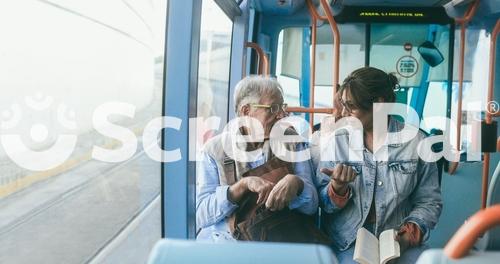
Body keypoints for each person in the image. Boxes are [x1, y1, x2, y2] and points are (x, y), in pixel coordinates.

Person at [312, 67, 442, 263]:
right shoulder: (338, 141)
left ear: (379, 104)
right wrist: (337, 188)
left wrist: (408, 236)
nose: (344, 113)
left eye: (351, 106)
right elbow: (322, 204)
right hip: (348, 241)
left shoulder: (417, 143)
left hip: (399, 238)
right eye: (344, 105)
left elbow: (429, 201)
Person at [196, 75, 318, 241]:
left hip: (281, 237)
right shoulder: (214, 150)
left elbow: (312, 206)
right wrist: (241, 187)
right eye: (274, 108)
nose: (282, 115)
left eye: (282, 107)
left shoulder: (293, 142)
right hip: (230, 242)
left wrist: (297, 184)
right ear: (246, 112)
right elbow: (202, 215)